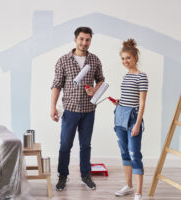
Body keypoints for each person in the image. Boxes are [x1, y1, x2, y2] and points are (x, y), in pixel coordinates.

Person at [50, 27, 105, 191]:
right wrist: (52, 107)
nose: (84, 43)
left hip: (89, 110)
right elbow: (56, 85)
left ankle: (86, 176)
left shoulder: (94, 60)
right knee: (65, 144)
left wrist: (95, 90)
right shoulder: (63, 60)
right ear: (75, 39)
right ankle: (62, 176)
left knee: (85, 145)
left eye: (87, 40)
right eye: (81, 39)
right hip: (70, 110)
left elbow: (101, 80)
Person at [110, 39, 148, 200]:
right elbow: (128, 97)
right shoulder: (126, 76)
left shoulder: (142, 77)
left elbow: (142, 102)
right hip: (120, 115)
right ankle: (129, 186)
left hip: (133, 118)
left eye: (128, 58)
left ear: (135, 58)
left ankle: (138, 192)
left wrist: (137, 124)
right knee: (124, 153)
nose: (125, 61)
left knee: (134, 154)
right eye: (123, 58)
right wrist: (120, 101)